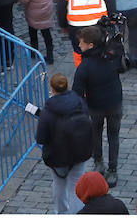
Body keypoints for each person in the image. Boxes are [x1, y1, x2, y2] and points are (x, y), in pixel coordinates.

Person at [36, 72, 95, 215]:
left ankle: (61, 213)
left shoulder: (47, 112)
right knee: (76, 188)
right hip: (80, 153)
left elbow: (40, 138)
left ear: (52, 89)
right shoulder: (80, 103)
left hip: (57, 157)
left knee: (59, 186)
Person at [73, 26, 124, 187]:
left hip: (95, 106)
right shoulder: (111, 56)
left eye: (82, 42)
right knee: (113, 136)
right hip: (115, 102)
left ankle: (99, 163)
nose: (79, 45)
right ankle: (113, 170)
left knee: (96, 133)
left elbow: (77, 93)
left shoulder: (85, 66)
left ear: (91, 45)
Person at [21, 0, 58, 65]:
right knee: (47, 34)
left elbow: (23, 1)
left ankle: (34, 52)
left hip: (33, 16)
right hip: (46, 14)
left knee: (33, 34)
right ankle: (50, 56)